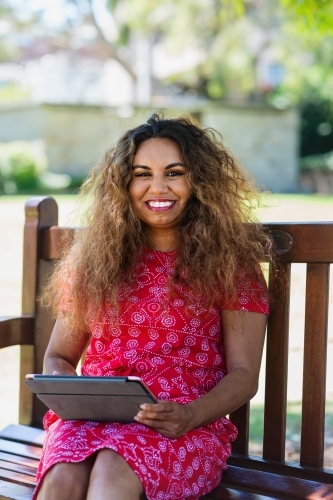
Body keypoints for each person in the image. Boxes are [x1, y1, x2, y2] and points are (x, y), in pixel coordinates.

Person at [35, 113, 272, 500]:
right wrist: (78, 399)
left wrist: (190, 415)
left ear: (200, 181)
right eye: (142, 173)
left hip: (182, 424)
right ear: (123, 184)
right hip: (92, 419)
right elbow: (58, 356)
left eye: (174, 172)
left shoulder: (231, 265)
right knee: (62, 480)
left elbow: (244, 374)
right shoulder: (97, 261)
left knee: (112, 470)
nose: (157, 187)